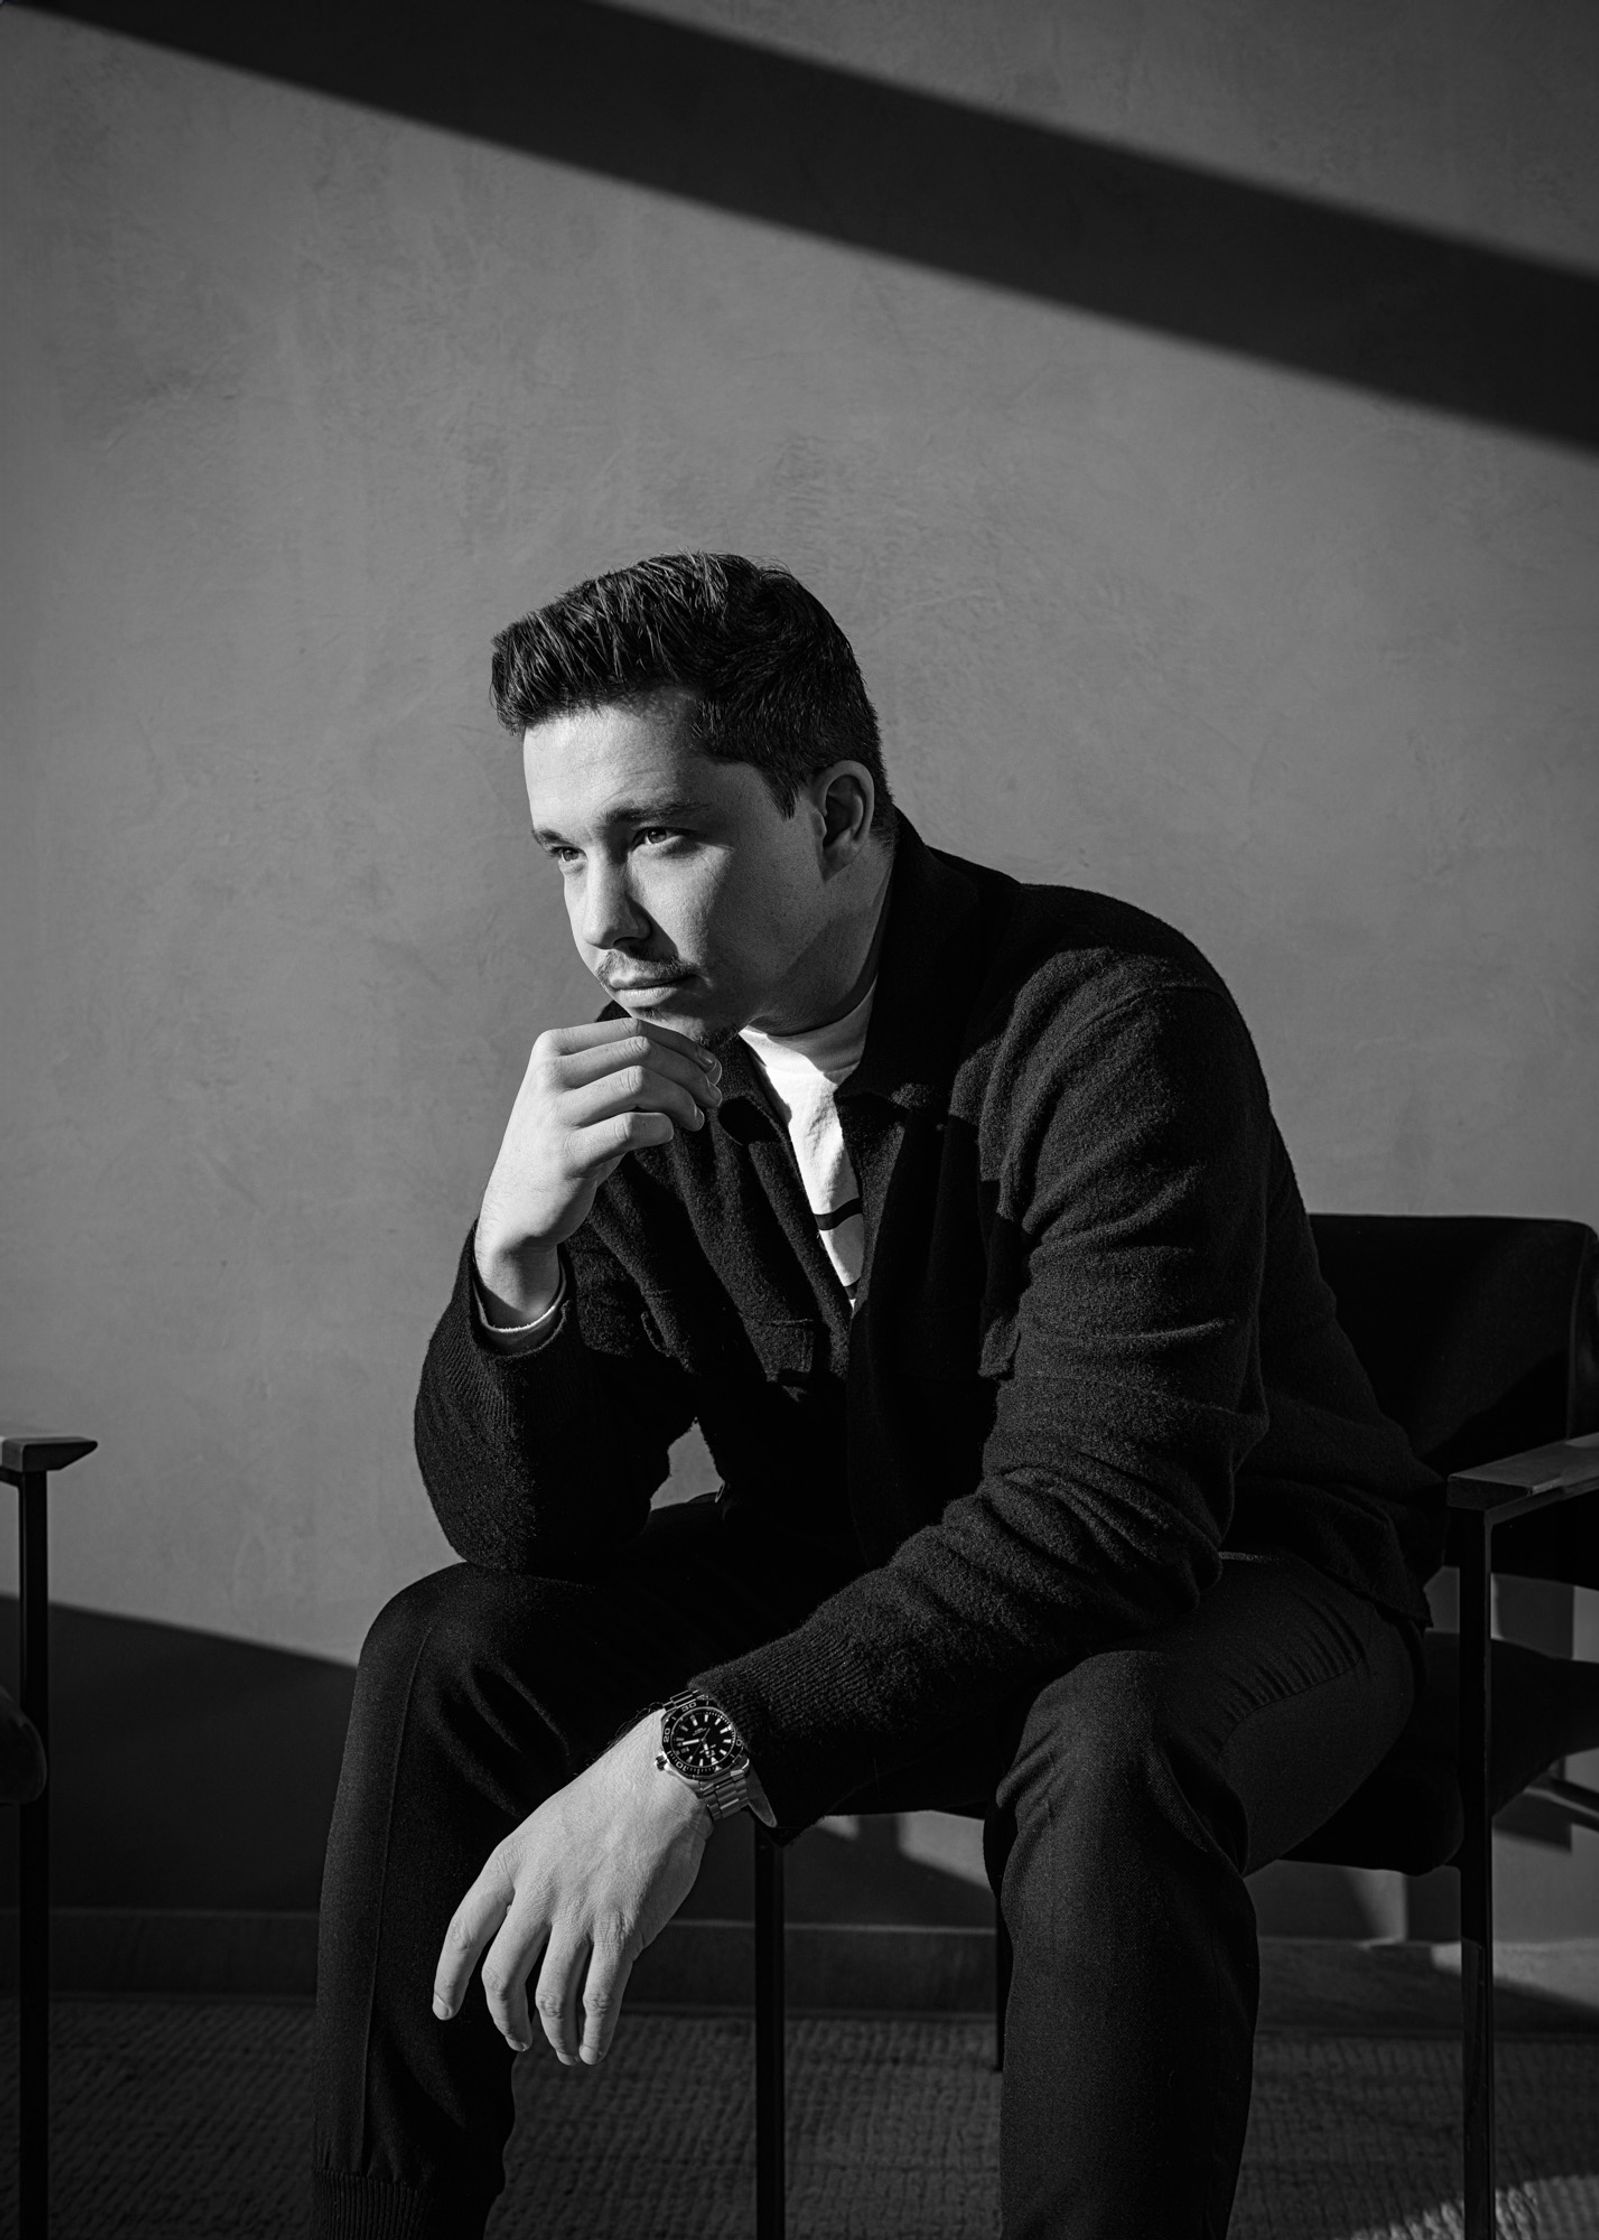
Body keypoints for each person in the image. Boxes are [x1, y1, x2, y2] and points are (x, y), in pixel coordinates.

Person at [308, 552, 1443, 2240]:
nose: (601, 922)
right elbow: (534, 1534)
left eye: (660, 838)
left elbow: (1106, 1526)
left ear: (838, 815)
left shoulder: (1109, 1021)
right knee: (446, 1647)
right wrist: (516, 1261)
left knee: (1113, 1741)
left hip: (1238, 1585)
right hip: (862, 1559)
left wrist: (690, 1754)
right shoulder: (653, 1066)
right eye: (563, 853)